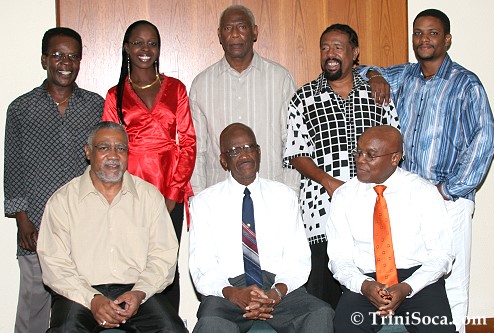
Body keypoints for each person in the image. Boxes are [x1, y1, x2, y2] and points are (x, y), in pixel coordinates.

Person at [361, 9, 494, 332]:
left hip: (449, 201)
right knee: (419, 280)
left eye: (433, 33)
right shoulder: (404, 76)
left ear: (447, 39)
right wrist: (375, 76)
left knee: (452, 281)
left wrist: (447, 189)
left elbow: (486, 138)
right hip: (410, 202)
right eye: (418, 33)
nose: (424, 39)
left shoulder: (466, 83)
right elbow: (363, 70)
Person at [282, 23, 400, 309]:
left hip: (372, 206)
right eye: (324, 48)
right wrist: (329, 182)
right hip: (322, 206)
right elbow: (297, 153)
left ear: (354, 53)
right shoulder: (303, 96)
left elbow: (395, 145)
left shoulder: (378, 93)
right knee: (324, 295)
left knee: (370, 291)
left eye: (337, 47)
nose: (330, 54)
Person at [37, 121, 187, 333]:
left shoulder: (149, 197)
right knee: (65, 329)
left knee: (171, 328)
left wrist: (139, 292)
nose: (114, 155)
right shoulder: (63, 200)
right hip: (81, 293)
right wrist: (92, 299)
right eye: (104, 148)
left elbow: (164, 256)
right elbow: (54, 263)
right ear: (88, 152)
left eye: (121, 148)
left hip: (136, 291)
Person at [3, 27, 104, 333]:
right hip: (36, 224)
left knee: (81, 308)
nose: (65, 62)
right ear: (44, 58)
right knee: (34, 305)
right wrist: (22, 220)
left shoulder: (95, 106)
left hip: (85, 226)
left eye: (73, 56)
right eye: (58, 55)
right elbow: (13, 167)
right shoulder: (21, 109)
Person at [189, 123, 334, 332]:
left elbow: (297, 258)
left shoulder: (284, 196)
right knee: (212, 323)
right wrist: (234, 294)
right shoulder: (204, 202)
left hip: (278, 288)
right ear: (223, 160)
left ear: (259, 152)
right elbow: (202, 264)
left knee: (320, 313)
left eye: (249, 148)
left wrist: (277, 292)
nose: (245, 155)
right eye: (235, 151)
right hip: (228, 291)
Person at [102, 20, 196, 313]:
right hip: (129, 192)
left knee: (166, 266)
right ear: (127, 48)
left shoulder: (176, 88)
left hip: (171, 188)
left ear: (158, 49)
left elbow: (189, 143)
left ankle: (168, 324)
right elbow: (109, 152)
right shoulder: (114, 95)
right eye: (138, 43)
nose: (145, 49)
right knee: (132, 265)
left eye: (152, 43)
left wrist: (172, 195)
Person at [326, 125, 455, 332]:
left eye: (371, 155)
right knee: (346, 325)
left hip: (417, 280)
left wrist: (407, 287)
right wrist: (364, 285)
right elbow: (339, 258)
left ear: (395, 158)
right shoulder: (344, 196)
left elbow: (442, 255)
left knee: (438, 329)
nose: (360, 160)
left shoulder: (423, 192)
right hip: (367, 281)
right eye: (358, 152)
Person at [190, 4, 299, 195]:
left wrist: (291, 193)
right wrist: (199, 198)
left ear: (254, 32)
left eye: (242, 27)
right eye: (227, 28)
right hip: (219, 196)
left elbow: (291, 142)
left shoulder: (279, 78)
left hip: (272, 193)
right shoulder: (202, 84)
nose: (234, 34)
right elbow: (198, 150)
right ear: (219, 35)